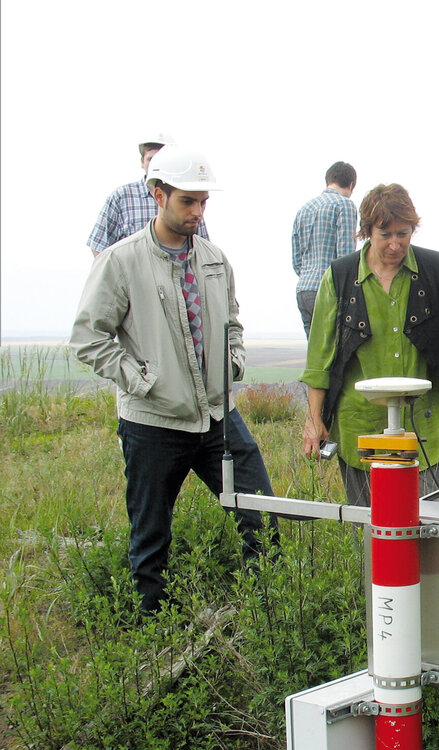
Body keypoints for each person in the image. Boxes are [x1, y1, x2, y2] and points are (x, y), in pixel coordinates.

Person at [71, 145, 275, 613]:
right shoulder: (121, 261)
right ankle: (153, 633)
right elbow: (88, 337)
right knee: (151, 535)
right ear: (158, 194)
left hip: (218, 416)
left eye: (204, 202)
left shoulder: (215, 259)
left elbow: (233, 323)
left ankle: (269, 617)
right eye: (188, 201)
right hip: (153, 423)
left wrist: (234, 362)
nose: (198, 212)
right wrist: (143, 382)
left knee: (261, 515)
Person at [300, 183, 439, 505]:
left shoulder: (435, 270)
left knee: (433, 527)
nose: (395, 244)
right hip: (359, 426)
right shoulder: (338, 277)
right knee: (370, 531)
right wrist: (313, 418)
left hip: (425, 424)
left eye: (403, 234)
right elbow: (319, 359)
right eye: (385, 234)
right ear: (367, 231)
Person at [87, 132, 209, 256]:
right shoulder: (122, 197)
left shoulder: (189, 198)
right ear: (142, 162)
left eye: (160, 159)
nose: (154, 164)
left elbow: (204, 249)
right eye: (150, 159)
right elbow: (99, 245)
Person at [292, 161, 358, 337]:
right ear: (351, 184)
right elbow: (347, 258)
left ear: (328, 180)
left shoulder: (304, 209)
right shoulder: (345, 205)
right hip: (330, 292)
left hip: (304, 290)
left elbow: (296, 260)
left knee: (315, 357)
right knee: (336, 357)